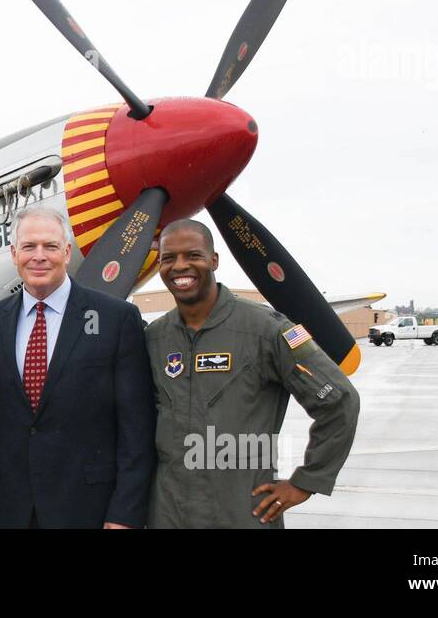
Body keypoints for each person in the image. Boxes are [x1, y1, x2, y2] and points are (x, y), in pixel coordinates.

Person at [144, 219, 359, 528]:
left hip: (241, 513)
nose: (180, 266)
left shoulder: (266, 330)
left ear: (213, 260)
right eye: (169, 258)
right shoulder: (155, 337)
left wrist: (307, 481)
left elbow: (340, 400)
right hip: (168, 514)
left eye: (193, 255)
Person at [0, 207, 155, 529]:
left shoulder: (116, 319)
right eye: (29, 247)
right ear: (14, 254)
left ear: (67, 252)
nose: (39, 257)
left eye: (50, 246)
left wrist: (125, 512)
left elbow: (136, 428)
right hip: (11, 510)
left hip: (90, 509)